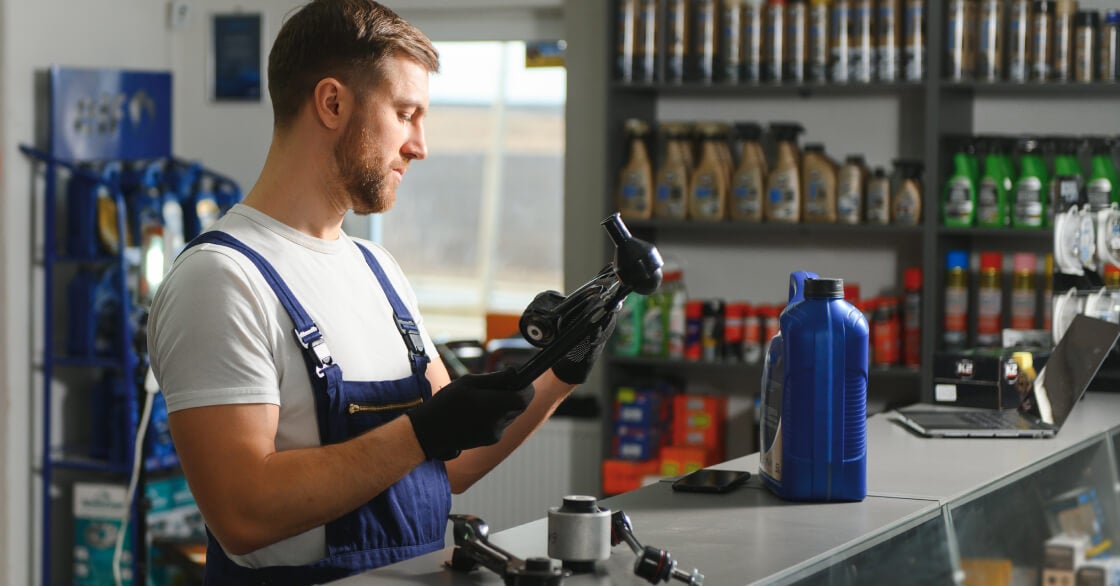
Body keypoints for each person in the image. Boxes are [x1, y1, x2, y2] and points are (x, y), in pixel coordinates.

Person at [146, 1, 614, 584]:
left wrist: (559, 374)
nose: (420, 145)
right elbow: (243, 511)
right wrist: (422, 431)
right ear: (333, 103)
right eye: (405, 113)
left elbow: (455, 461)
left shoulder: (377, 269)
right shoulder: (221, 279)